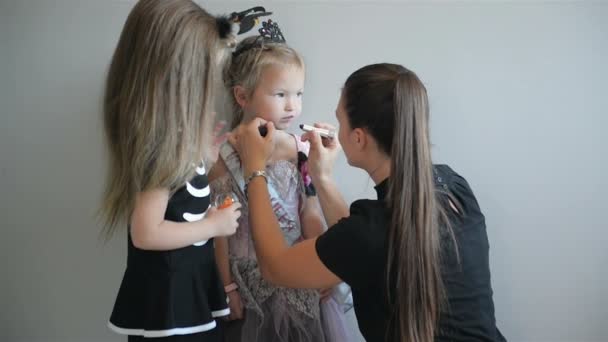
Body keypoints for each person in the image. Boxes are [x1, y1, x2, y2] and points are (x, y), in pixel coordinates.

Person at [229, 63, 507, 341]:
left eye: (340, 122)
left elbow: (275, 267)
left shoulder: (369, 231)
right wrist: (322, 177)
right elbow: (365, 247)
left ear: (359, 138)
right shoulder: (454, 186)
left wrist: (255, 168)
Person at [98, 0, 261, 340]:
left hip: (188, 284)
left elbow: (176, 200)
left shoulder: (171, 138)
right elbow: (147, 233)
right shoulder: (159, 144)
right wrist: (212, 225)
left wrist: (203, 156)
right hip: (171, 299)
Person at [208, 21, 351, 342]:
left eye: (298, 93)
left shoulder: (300, 149)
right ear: (242, 96)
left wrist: (322, 261)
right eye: (281, 94)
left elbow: (310, 211)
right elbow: (218, 232)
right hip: (248, 287)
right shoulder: (222, 155)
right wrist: (227, 286)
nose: (293, 105)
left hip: (299, 278)